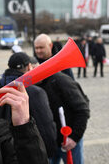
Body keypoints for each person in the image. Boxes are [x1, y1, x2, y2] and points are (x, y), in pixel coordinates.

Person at [0, 52, 57, 158]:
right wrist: (48, 153)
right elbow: (46, 128)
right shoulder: (36, 92)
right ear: (29, 67)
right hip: (26, 154)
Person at [34, 34, 90, 164]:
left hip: (68, 134)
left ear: (50, 46)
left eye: (41, 47)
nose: (38, 51)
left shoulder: (62, 73)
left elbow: (81, 104)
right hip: (50, 138)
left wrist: (75, 136)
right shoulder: (34, 63)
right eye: (36, 48)